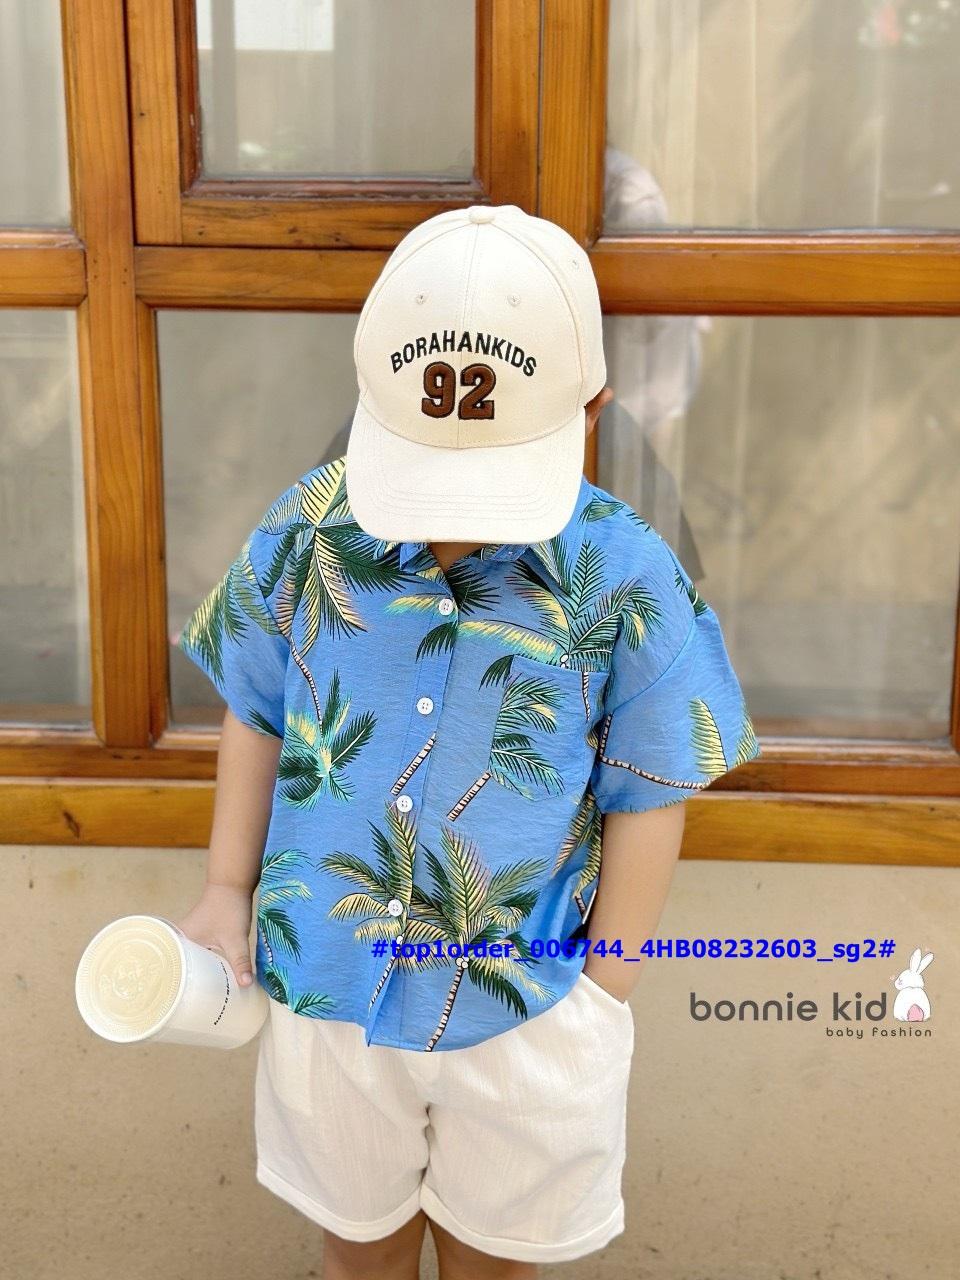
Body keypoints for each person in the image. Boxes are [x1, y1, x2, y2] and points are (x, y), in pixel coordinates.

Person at [174, 203, 761, 1280]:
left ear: (594, 409)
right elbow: (254, 706)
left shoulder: (625, 572)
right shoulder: (308, 530)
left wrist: (605, 989)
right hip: (328, 984)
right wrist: (224, 885)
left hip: (529, 1009)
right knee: (360, 1251)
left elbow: (651, 783)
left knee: (497, 1262)